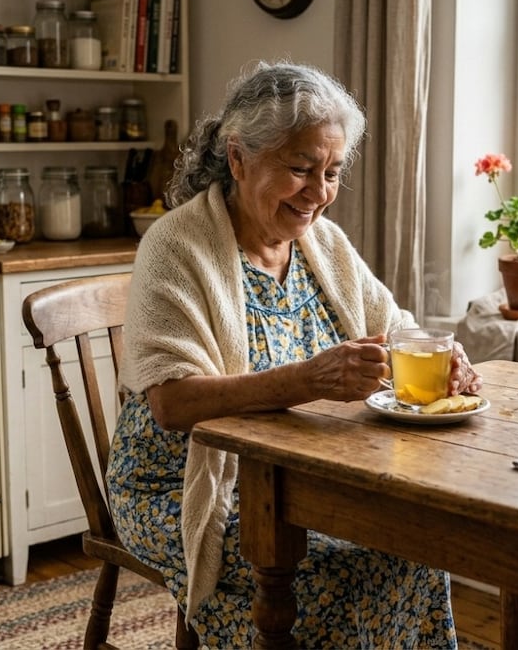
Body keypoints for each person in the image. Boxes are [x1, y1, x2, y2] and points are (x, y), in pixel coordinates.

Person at [106, 60, 483, 648]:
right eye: (301, 169)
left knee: (414, 550)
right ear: (238, 158)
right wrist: (310, 379)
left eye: (332, 172)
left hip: (298, 478)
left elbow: (395, 328)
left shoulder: (321, 243)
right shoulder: (176, 245)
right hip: (181, 484)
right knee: (345, 578)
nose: (319, 193)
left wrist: (442, 350)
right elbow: (173, 404)